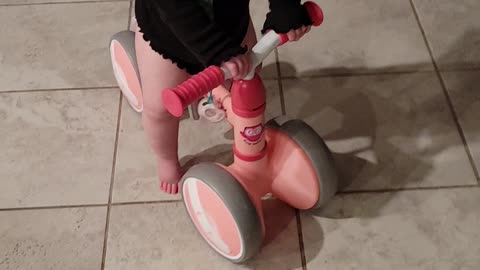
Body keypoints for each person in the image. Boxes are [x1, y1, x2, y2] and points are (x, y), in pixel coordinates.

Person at [134, 0, 312, 194]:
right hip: (168, 35)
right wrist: (218, 51)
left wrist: (285, 9)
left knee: (250, 73)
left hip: (230, 26)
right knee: (159, 109)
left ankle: (218, 88)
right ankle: (166, 159)